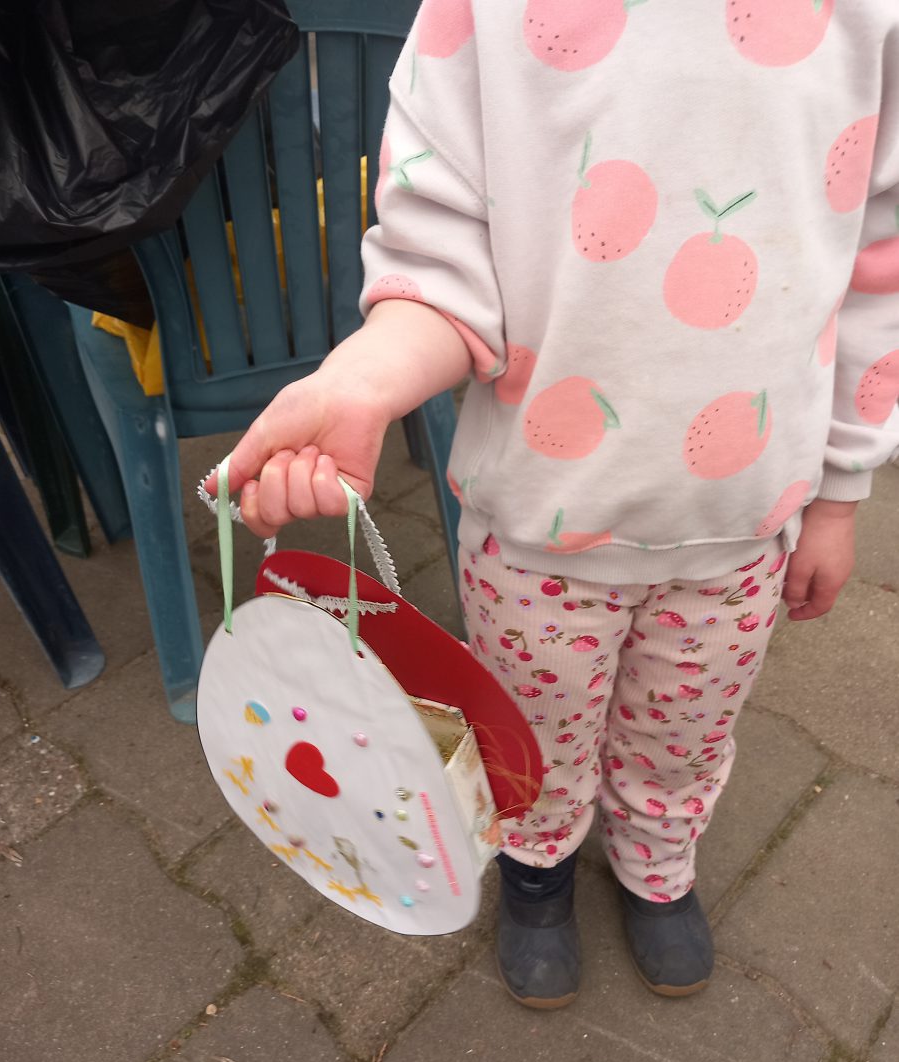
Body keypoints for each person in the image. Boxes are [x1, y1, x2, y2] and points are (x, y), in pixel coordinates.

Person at [209, 1, 899, 1008]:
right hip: (538, 535)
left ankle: (657, 860)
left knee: (686, 733)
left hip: (741, 530)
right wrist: (366, 379)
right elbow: (441, 255)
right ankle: (537, 867)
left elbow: (878, 263)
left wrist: (840, 491)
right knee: (532, 733)